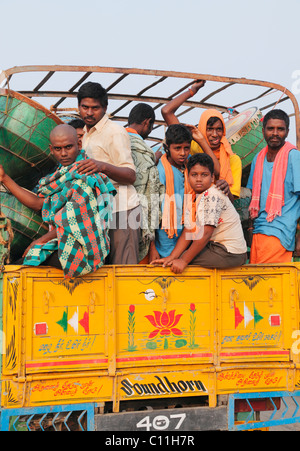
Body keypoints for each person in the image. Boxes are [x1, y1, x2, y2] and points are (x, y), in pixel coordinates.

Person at [0, 124, 116, 278]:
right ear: (50, 149)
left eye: (68, 147)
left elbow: (70, 220)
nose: (63, 153)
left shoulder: (87, 176)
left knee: (16, 271)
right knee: (18, 266)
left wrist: (38, 242)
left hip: (86, 251)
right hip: (63, 242)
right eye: (58, 149)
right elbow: (39, 204)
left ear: (79, 145)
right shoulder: (61, 174)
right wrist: (4, 178)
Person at [76, 81, 140, 264]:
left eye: (94, 108)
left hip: (124, 209)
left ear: (104, 107)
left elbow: (130, 175)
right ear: (78, 106)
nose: (89, 112)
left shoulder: (114, 132)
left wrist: (102, 166)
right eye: (85, 107)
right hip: (103, 211)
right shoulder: (87, 133)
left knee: (124, 271)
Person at [151, 153, 247, 274]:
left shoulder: (212, 194)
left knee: (185, 258)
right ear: (188, 176)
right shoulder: (193, 198)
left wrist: (183, 261)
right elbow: (189, 230)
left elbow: (206, 233)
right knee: (179, 257)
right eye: (194, 175)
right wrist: (172, 257)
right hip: (216, 248)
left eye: (204, 175)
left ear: (212, 178)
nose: (199, 179)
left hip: (229, 252)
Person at [161, 80, 242, 201]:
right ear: (203, 128)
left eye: (219, 129)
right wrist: (192, 91)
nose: (215, 134)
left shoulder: (232, 159)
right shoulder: (191, 146)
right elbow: (166, 111)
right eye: (209, 129)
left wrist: (202, 140)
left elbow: (218, 174)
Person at [247, 109, 300, 264]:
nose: (275, 133)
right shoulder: (258, 158)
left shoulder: (294, 156)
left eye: (280, 129)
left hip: (281, 233)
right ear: (263, 131)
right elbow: (253, 196)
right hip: (259, 231)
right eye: (271, 129)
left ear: (287, 132)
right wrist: (250, 228)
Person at [126, 103, 165, 262]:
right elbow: (150, 196)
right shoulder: (142, 150)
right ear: (147, 122)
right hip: (137, 219)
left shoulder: (118, 140)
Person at [151, 124, 192, 260]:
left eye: (186, 148)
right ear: (167, 148)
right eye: (177, 148)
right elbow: (151, 209)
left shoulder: (191, 166)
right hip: (165, 236)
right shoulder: (159, 171)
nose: (182, 153)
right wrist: (152, 247)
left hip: (188, 231)